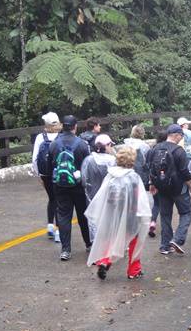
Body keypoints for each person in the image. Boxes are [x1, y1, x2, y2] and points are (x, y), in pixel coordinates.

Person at [85, 146, 151, 280]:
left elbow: (103, 195)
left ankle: (104, 261)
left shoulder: (111, 175)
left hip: (113, 213)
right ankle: (133, 270)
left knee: (112, 239)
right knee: (135, 242)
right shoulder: (134, 177)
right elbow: (139, 199)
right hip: (131, 215)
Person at [146, 124, 191, 255]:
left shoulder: (155, 148)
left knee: (165, 216)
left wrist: (152, 183)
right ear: (177, 135)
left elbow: (150, 167)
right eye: (181, 136)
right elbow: (185, 172)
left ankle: (165, 246)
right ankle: (177, 240)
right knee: (186, 213)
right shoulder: (179, 151)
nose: (181, 138)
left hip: (162, 188)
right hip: (178, 189)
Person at [48, 115, 91, 261]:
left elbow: (50, 165)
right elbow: (87, 166)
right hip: (78, 185)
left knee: (64, 216)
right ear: (75, 126)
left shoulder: (54, 144)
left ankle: (65, 250)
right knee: (82, 215)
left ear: (62, 126)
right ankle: (88, 244)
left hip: (60, 184)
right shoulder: (81, 144)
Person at [31, 111, 61, 242]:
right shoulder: (60, 137)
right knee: (60, 201)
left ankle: (50, 226)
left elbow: (34, 159)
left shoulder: (40, 137)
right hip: (59, 173)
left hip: (45, 174)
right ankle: (59, 232)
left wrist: (39, 175)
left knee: (52, 199)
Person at [147, 130, 167, 238]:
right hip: (165, 181)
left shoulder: (152, 149)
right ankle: (165, 229)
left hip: (154, 180)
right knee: (166, 205)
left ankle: (152, 222)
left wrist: (150, 182)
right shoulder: (168, 149)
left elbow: (148, 166)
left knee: (156, 203)